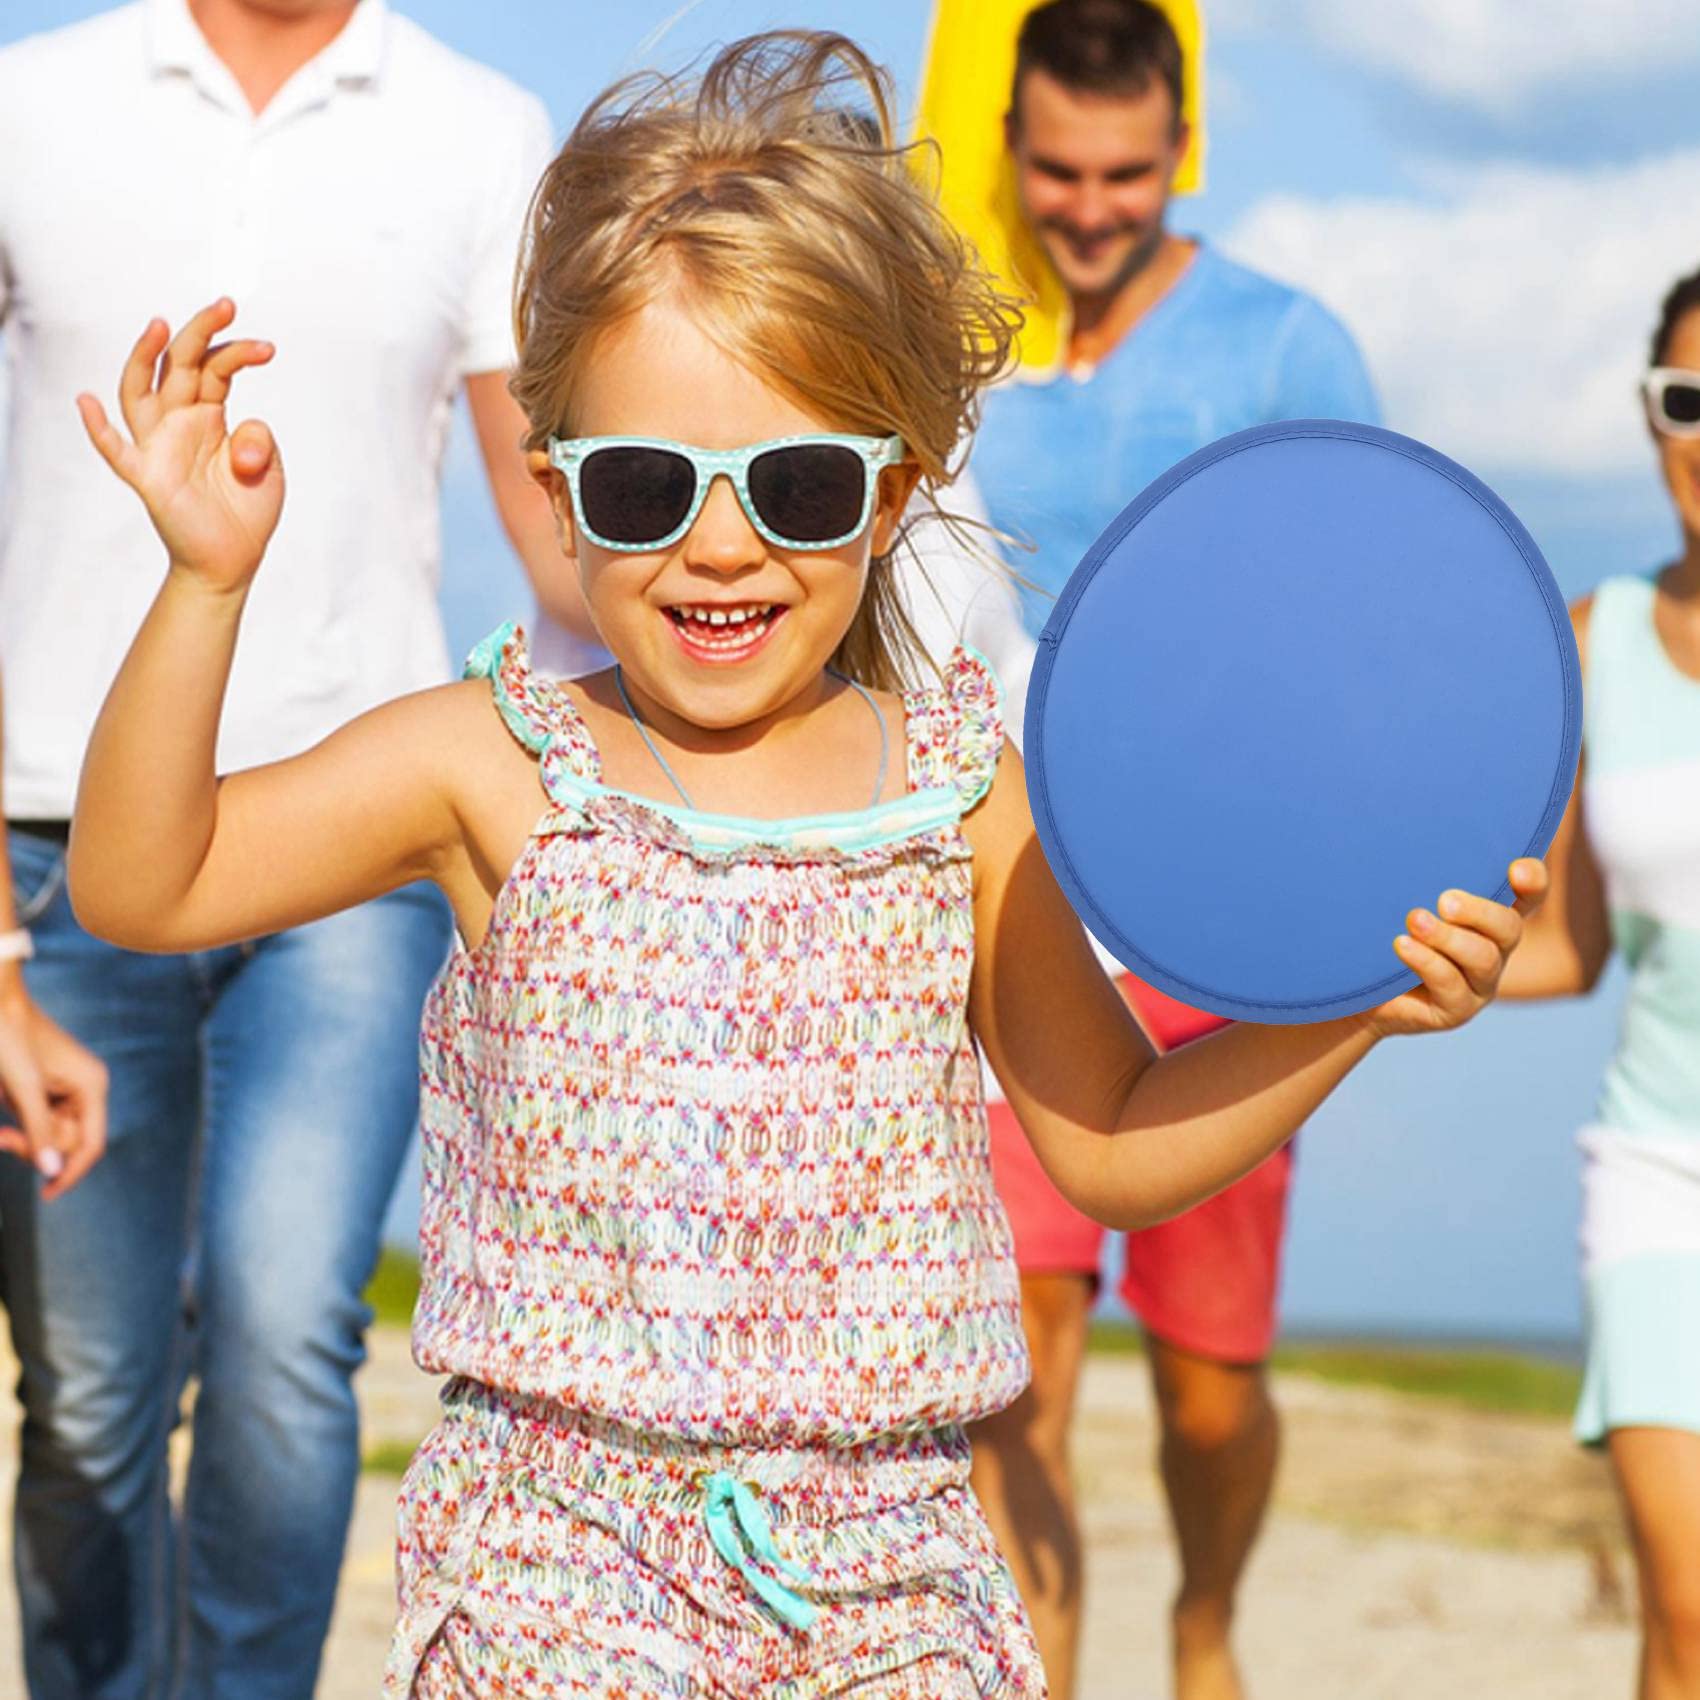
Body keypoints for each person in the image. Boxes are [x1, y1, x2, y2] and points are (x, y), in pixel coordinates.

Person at [67, 30, 1541, 1696]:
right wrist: (202, 584)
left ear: (897, 488)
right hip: (562, 1561)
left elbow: (1113, 1140)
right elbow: (144, 884)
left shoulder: (963, 793)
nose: (719, 543)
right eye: (642, 484)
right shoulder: (491, 763)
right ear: (556, 492)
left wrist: (1363, 1011)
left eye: (798, 482)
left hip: (895, 1570)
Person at [0, 1, 584, 1693]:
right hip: (56, 840)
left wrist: (790, 546)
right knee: (93, 1394)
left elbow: (559, 524)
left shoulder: (482, 124)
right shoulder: (30, 100)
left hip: (351, 846)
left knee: (281, 1337)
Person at [958, 6, 1380, 1695]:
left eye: (1127, 175)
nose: (1089, 207)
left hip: (1231, 929)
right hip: (1014, 905)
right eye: (1057, 170)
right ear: (1013, 144)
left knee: (1208, 1387)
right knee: (1020, 1364)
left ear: (1181, 148)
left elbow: (1375, 625)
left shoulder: (1289, 348)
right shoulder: (967, 355)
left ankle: (1203, 1622)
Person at [1496, 267, 1700, 1700]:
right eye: (1687, 403)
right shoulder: (1592, 638)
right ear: (1647, 418)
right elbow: (1560, 944)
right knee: (1688, 1611)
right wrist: (1341, 966)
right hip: (1660, 1173)